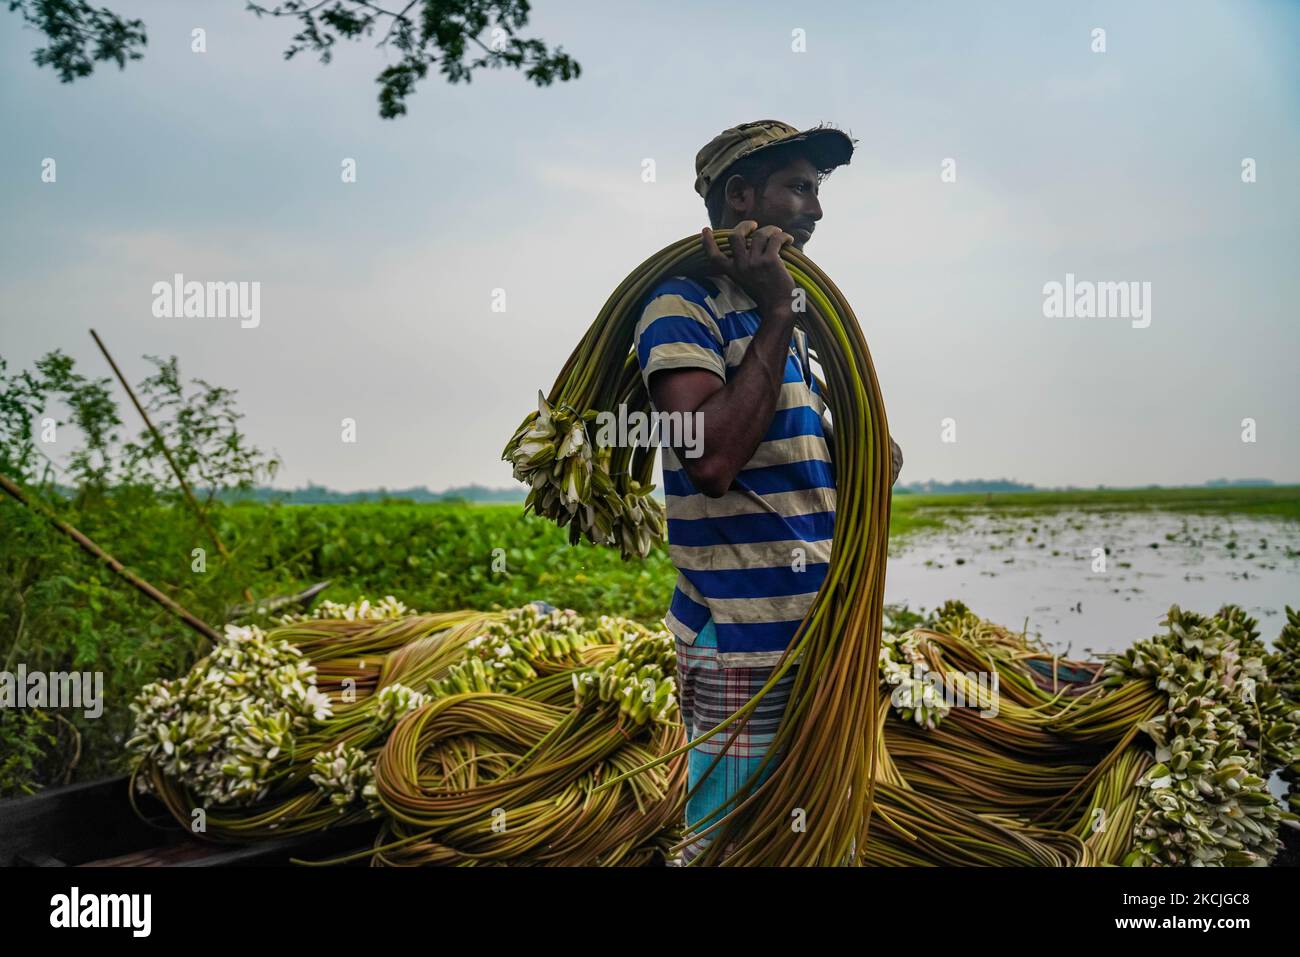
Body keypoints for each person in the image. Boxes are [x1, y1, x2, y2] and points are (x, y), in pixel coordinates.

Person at [632, 120, 903, 863]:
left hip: (821, 632)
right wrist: (779, 311)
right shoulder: (682, 305)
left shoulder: (803, 325)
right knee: (728, 848)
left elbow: (817, 460)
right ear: (740, 195)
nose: (815, 209)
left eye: (818, 191)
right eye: (799, 188)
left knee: (824, 843)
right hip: (742, 640)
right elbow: (711, 458)